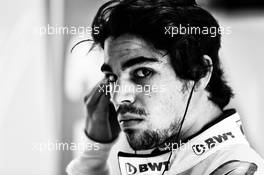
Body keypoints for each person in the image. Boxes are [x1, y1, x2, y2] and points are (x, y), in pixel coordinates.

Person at [66, 0, 264, 174]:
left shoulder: (236, 169)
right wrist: (95, 152)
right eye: (111, 77)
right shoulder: (179, 162)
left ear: (200, 72)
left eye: (143, 72)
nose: (118, 97)